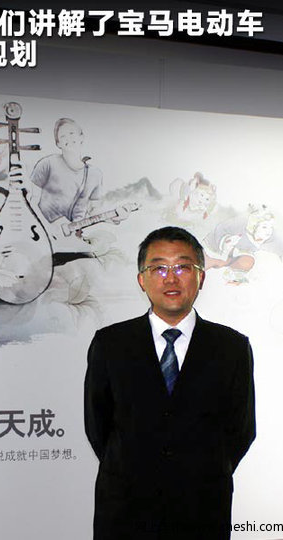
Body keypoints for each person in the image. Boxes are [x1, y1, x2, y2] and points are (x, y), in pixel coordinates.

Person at [84, 226, 255, 540]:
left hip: (202, 509)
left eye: (183, 267)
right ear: (142, 279)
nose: (171, 278)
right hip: (124, 511)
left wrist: (200, 471)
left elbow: (241, 430)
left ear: (201, 277)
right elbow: (98, 426)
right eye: (159, 268)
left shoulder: (231, 347)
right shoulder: (110, 344)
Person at [30, 117, 103, 225]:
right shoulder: (47, 164)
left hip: (76, 232)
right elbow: (32, 202)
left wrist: (114, 218)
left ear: (81, 137)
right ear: (58, 143)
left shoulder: (95, 174)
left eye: (71, 133)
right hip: (45, 230)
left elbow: (94, 210)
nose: (68, 138)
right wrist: (47, 226)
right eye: (63, 136)